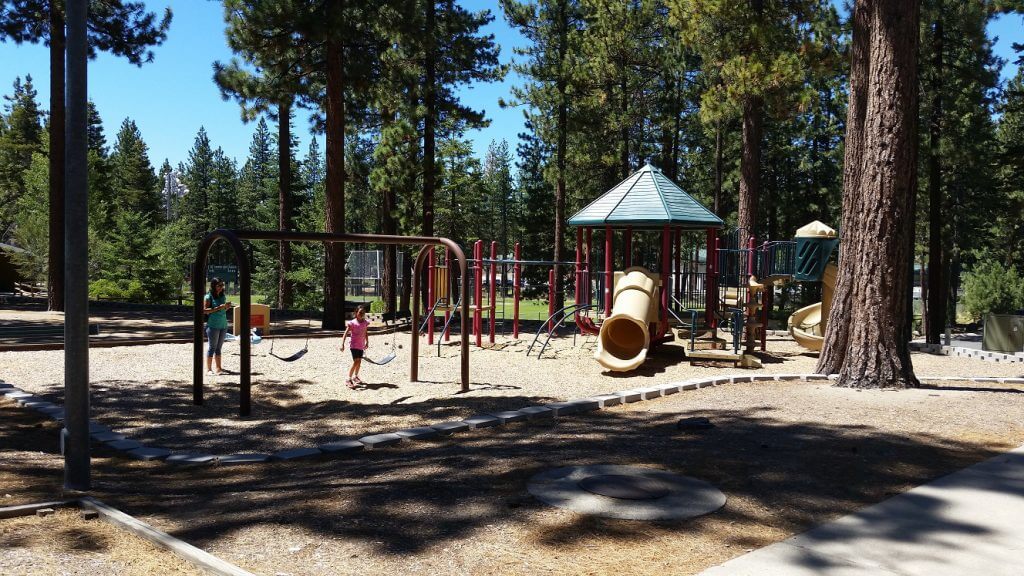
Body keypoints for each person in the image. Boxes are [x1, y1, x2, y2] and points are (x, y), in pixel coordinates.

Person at [203, 277, 233, 376]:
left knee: (219, 348)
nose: (221, 287)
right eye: (219, 285)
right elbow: (205, 311)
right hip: (213, 326)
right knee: (212, 347)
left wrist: (226, 307)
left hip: (223, 325)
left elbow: (222, 311)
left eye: (222, 285)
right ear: (213, 286)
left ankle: (218, 368)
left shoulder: (222, 296)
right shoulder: (208, 296)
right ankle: (208, 369)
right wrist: (218, 308)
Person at [340, 305, 370, 389]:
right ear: (356, 313)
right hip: (353, 345)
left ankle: (355, 376)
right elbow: (345, 333)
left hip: (361, 345)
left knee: (359, 362)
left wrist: (367, 341)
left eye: (363, 313)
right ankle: (348, 379)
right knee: (356, 362)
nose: (362, 314)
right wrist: (342, 344)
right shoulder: (352, 323)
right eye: (360, 312)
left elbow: (365, 332)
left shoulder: (365, 322)